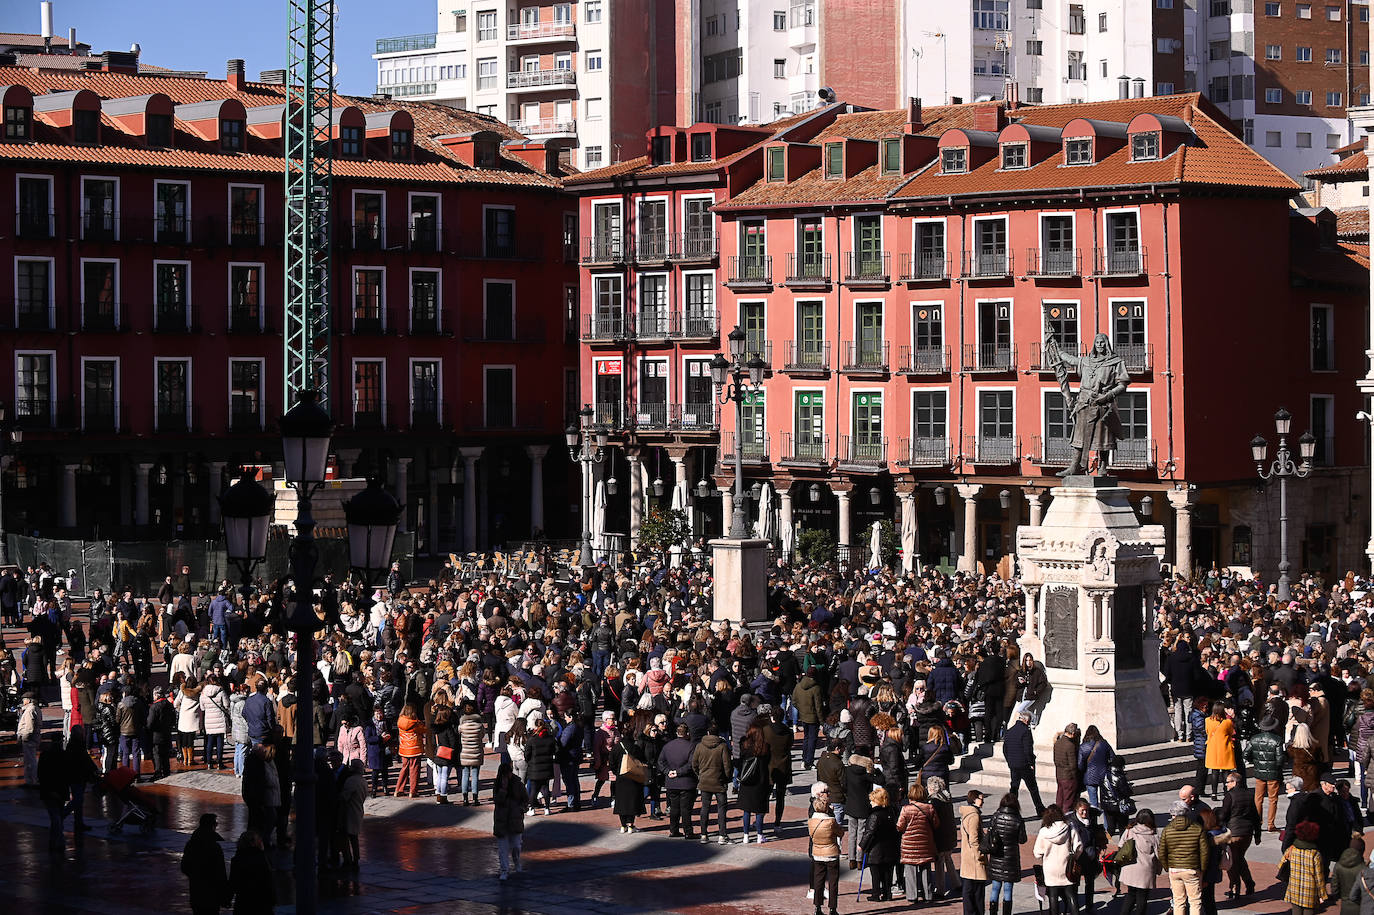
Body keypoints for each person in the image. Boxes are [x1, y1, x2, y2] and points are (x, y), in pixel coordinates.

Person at [1157, 799, 1209, 915]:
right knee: (1195, 901)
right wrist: (1203, 869)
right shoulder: (1197, 828)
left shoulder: (1167, 830)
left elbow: (1162, 852)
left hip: (1174, 869)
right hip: (1192, 868)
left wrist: (1167, 867)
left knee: (1178, 901)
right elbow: (1204, 851)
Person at [1218, 770, 1260, 898]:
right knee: (1239, 858)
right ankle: (1249, 883)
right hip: (1247, 833)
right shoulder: (1249, 794)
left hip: (1234, 833)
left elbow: (1224, 815)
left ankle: (1235, 888)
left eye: (1228, 782)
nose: (1226, 785)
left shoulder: (1230, 796)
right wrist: (1257, 834)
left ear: (1234, 782)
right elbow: (1255, 815)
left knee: (1232, 862)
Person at [1034, 804, 1082, 915]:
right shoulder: (1070, 827)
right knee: (1070, 894)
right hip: (1067, 866)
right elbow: (1079, 847)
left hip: (1050, 868)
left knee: (1053, 895)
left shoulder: (1044, 831)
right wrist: (1074, 857)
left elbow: (1037, 853)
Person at [897, 779, 939, 902]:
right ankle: (928, 894)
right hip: (925, 843)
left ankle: (912, 895)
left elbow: (900, 826)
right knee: (926, 870)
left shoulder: (906, 809)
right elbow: (936, 824)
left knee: (910, 871)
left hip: (909, 845)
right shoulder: (929, 808)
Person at [986, 793, 1027, 915]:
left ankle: (993, 912)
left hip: (997, 855)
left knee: (995, 888)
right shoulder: (1018, 819)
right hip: (1011, 857)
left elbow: (991, 834)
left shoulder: (995, 816)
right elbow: (1022, 839)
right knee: (1008, 889)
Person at [181, 813, 229, 915]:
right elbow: (221, 873)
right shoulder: (215, 847)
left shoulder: (191, 844)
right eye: (216, 823)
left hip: (196, 892)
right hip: (212, 895)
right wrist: (225, 896)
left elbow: (184, 867)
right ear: (212, 825)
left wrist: (195, 875)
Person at [1245, 715, 1284, 833]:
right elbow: (1280, 759)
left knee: (1258, 798)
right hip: (1273, 773)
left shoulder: (1254, 739)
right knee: (1272, 799)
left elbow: (1245, 754)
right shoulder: (1277, 740)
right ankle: (1270, 824)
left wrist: (1255, 762)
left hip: (1259, 772)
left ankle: (1257, 822)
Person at [1118, 808, 1161, 915]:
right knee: (1142, 897)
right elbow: (1159, 855)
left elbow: (1120, 846)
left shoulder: (1129, 830)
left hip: (1130, 868)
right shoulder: (1153, 834)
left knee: (1131, 894)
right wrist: (1158, 869)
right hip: (1145, 870)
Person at [659, 723, 698, 839]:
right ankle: (688, 831)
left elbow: (661, 762)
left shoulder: (668, 746)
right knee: (686, 809)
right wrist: (678, 772)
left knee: (674, 808)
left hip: (672, 782)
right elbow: (691, 765)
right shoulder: (691, 746)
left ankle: (673, 830)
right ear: (687, 734)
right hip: (686, 783)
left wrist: (668, 771)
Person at [863, 785, 901, 901]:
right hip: (890, 847)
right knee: (887, 873)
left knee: (876, 874)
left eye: (872, 801)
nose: (870, 803)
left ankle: (876, 894)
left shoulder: (874, 815)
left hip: (876, 849)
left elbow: (869, 832)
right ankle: (887, 893)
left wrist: (862, 846)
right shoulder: (891, 811)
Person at [808, 794, 845, 915]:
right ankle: (832, 908)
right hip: (831, 853)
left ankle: (817, 907)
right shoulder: (831, 821)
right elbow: (840, 833)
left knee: (818, 881)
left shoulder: (811, 821)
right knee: (833, 882)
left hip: (817, 853)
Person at [693, 727, 731, 844]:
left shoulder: (700, 746)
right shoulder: (722, 746)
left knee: (705, 808)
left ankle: (704, 834)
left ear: (708, 733)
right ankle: (722, 834)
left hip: (704, 780)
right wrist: (727, 778)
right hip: (719, 781)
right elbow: (727, 765)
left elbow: (694, 763)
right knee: (722, 808)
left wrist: (699, 774)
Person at [736, 720, 772, 843]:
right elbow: (768, 762)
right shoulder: (765, 747)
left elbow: (740, 760)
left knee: (747, 810)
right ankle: (759, 835)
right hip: (761, 781)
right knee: (759, 810)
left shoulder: (744, 745)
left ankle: (745, 835)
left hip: (747, 780)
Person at [1278, 821, 1325, 915]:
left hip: (1294, 887)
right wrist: (1322, 894)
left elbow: (1280, 865)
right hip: (1310, 890)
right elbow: (1319, 877)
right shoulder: (1315, 854)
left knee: (1296, 911)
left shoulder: (1291, 849)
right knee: (1309, 912)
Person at [608, 723, 648, 833]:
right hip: (633, 777)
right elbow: (642, 760)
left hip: (621, 778)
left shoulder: (616, 748)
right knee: (632, 801)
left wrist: (617, 772)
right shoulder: (635, 748)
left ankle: (622, 825)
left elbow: (611, 763)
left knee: (621, 801)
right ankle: (631, 825)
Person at [493, 759, 528, 880]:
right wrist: (503, 789)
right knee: (503, 849)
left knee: (516, 846)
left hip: (515, 819)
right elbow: (497, 800)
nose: (505, 777)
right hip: (502, 821)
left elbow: (525, 798)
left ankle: (517, 862)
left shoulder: (518, 784)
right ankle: (504, 870)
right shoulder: (497, 785)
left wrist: (522, 809)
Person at [1005, 711, 1046, 815]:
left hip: (1013, 764)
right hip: (1024, 765)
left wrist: (1009, 760)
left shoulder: (1009, 731)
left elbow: (1005, 749)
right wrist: (1031, 763)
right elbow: (1028, 750)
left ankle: (1011, 809)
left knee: (1014, 787)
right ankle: (1039, 808)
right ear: (1026, 720)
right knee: (1033, 788)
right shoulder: (1025, 732)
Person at [227, 830, 276, 915]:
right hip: (261, 902)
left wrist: (227, 899)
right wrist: (273, 900)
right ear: (253, 843)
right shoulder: (262, 858)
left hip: (243, 902)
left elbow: (233, 882)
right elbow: (268, 882)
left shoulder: (237, 859)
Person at [959, 789, 989, 915]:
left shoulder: (968, 814)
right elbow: (974, 840)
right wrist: (980, 856)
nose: (983, 801)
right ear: (974, 799)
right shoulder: (974, 816)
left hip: (967, 857)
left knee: (969, 889)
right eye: (981, 798)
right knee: (976, 892)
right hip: (974, 859)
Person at [336, 759, 366, 871]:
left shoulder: (351, 781)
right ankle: (356, 858)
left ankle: (348, 858)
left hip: (349, 811)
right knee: (354, 837)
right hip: (358, 810)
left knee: (345, 836)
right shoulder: (363, 781)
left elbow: (344, 797)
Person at [1203, 702, 1237, 801]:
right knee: (1226, 771)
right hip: (1225, 748)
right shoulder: (1228, 722)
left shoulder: (1207, 721)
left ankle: (1214, 793)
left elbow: (1207, 732)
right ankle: (1227, 791)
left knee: (1214, 771)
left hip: (1213, 749)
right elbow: (1231, 732)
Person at [394, 702, 427, 798]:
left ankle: (398, 789)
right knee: (414, 770)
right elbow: (424, 729)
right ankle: (413, 791)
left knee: (404, 768)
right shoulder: (415, 723)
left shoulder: (400, 721)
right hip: (414, 749)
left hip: (404, 749)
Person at [1078, 725, 1114, 811]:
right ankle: (1106, 824)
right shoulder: (1104, 744)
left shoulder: (1083, 746)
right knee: (1105, 802)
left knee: (1093, 803)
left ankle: (1094, 822)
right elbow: (1112, 758)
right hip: (1103, 776)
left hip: (1090, 776)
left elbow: (1080, 765)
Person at [1054, 723, 1081, 813]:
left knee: (1060, 799)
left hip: (1059, 774)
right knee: (1068, 802)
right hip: (1069, 776)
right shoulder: (1070, 745)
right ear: (1073, 733)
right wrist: (1075, 777)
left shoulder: (1057, 742)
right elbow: (1073, 765)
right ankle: (1066, 818)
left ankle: (1057, 816)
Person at [18, 691, 42, 786]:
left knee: (30, 761)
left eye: (24, 699)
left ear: (28, 700)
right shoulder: (35, 709)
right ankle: (31, 780)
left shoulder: (29, 711)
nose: (23, 701)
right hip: (34, 737)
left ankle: (32, 781)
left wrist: (23, 738)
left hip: (29, 739)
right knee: (31, 760)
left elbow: (29, 727)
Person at [1289, 723, 1319, 791]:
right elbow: (1320, 759)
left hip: (1298, 776)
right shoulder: (1315, 748)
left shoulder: (1292, 749)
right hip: (1312, 775)